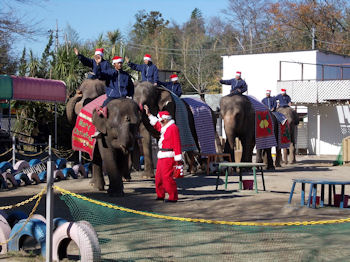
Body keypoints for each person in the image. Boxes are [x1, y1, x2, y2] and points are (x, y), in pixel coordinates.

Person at [144, 105, 183, 202]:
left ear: (165, 120)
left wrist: (178, 160)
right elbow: (156, 124)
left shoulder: (173, 128)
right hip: (162, 155)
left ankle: (173, 197)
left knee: (167, 177)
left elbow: (177, 144)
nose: (159, 121)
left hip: (169, 156)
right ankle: (160, 195)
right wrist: (148, 114)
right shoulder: (165, 127)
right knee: (158, 177)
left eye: (160, 119)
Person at [92, 55, 134, 138]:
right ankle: (99, 130)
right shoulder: (109, 73)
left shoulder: (126, 75)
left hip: (124, 98)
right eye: (118, 63)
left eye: (121, 63)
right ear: (114, 64)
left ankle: (135, 132)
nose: (120, 65)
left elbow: (131, 87)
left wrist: (130, 95)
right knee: (101, 111)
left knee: (135, 110)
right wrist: (98, 65)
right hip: (112, 97)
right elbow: (99, 75)